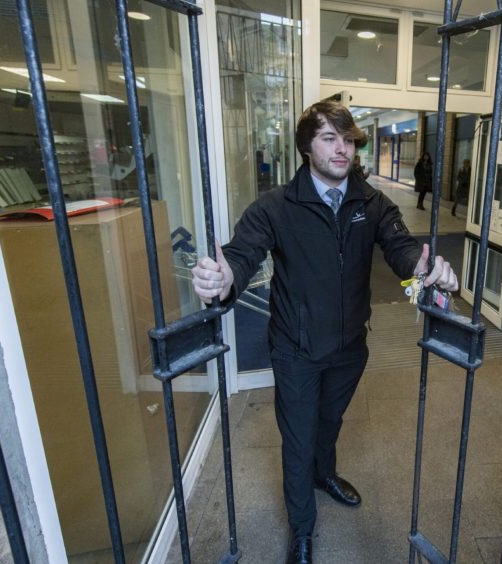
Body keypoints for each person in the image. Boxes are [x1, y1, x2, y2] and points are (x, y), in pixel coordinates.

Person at [190, 101, 458, 564]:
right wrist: (225, 277)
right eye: (330, 138)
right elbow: (242, 254)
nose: (343, 149)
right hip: (296, 348)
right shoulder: (275, 207)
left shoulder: (371, 202)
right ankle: (302, 529)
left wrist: (427, 268)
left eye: (349, 139)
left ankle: (324, 473)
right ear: (305, 147)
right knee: (298, 437)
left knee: (329, 423)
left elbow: (401, 248)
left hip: (351, 346)